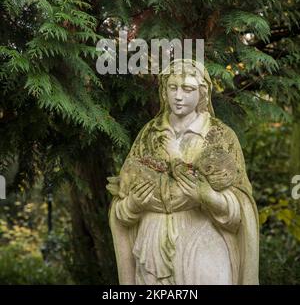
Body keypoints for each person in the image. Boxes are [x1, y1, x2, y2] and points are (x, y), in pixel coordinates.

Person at [107, 59, 259, 285]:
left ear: (203, 93)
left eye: (187, 89)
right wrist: (132, 205)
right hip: (152, 248)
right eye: (172, 87)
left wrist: (207, 197)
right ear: (163, 91)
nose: (178, 96)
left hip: (203, 247)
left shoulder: (219, 135)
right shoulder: (149, 135)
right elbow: (122, 201)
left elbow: (240, 210)